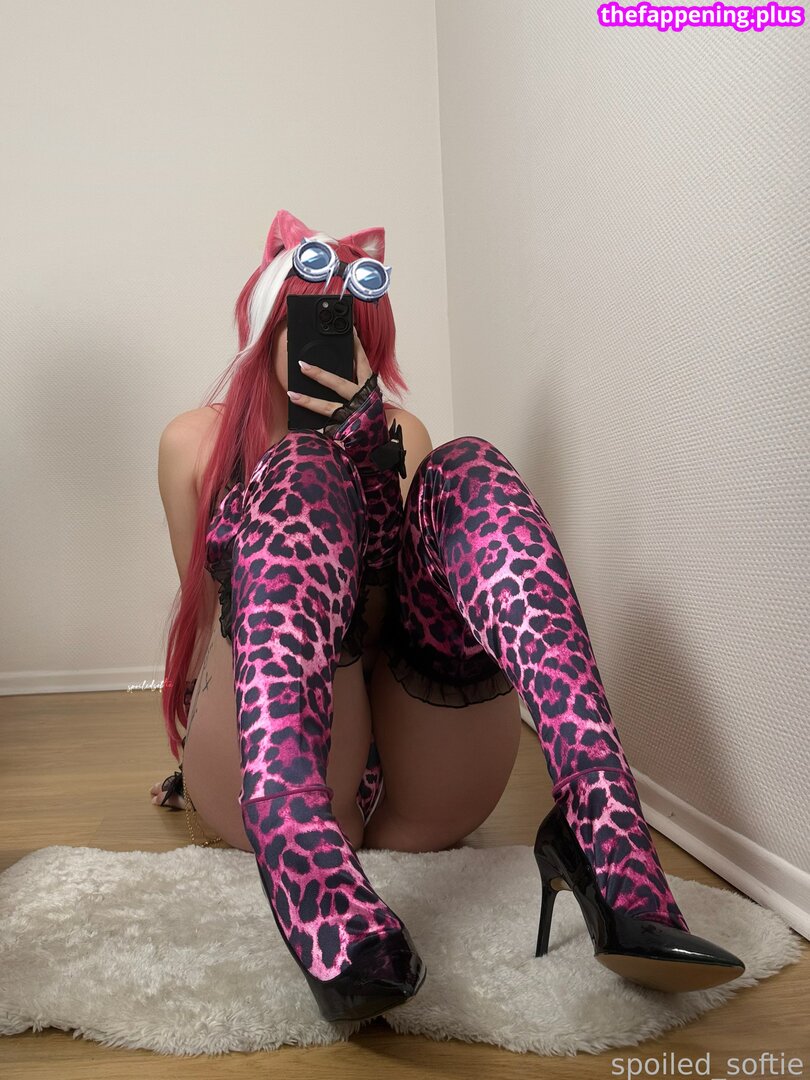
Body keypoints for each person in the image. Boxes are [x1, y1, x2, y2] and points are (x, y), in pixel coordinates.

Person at [153, 208, 744, 1023]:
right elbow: (209, 621)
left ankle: (604, 826)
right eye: (310, 314)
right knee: (299, 472)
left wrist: (370, 464)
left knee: (471, 467)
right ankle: (303, 860)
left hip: (416, 780)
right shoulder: (193, 442)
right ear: (267, 326)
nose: (330, 337)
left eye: (352, 323)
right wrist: (191, 747)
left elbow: (392, 624)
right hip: (270, 757)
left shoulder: (403, 433)